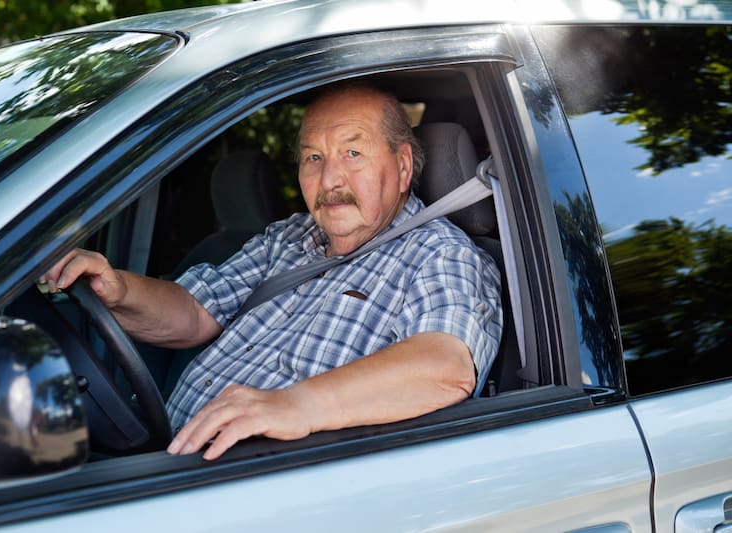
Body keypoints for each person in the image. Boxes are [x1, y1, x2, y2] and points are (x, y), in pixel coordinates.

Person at [41, 83, 502, 460]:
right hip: (169, 454)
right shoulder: (289, 237)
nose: (330, 180)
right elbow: (194, 312)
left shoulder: (441, 254)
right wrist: (118, 289)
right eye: (313, 158)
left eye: (352, 154)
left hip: (262, 487)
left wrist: (295, 404)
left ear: (402, 167)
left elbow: (446, 366)